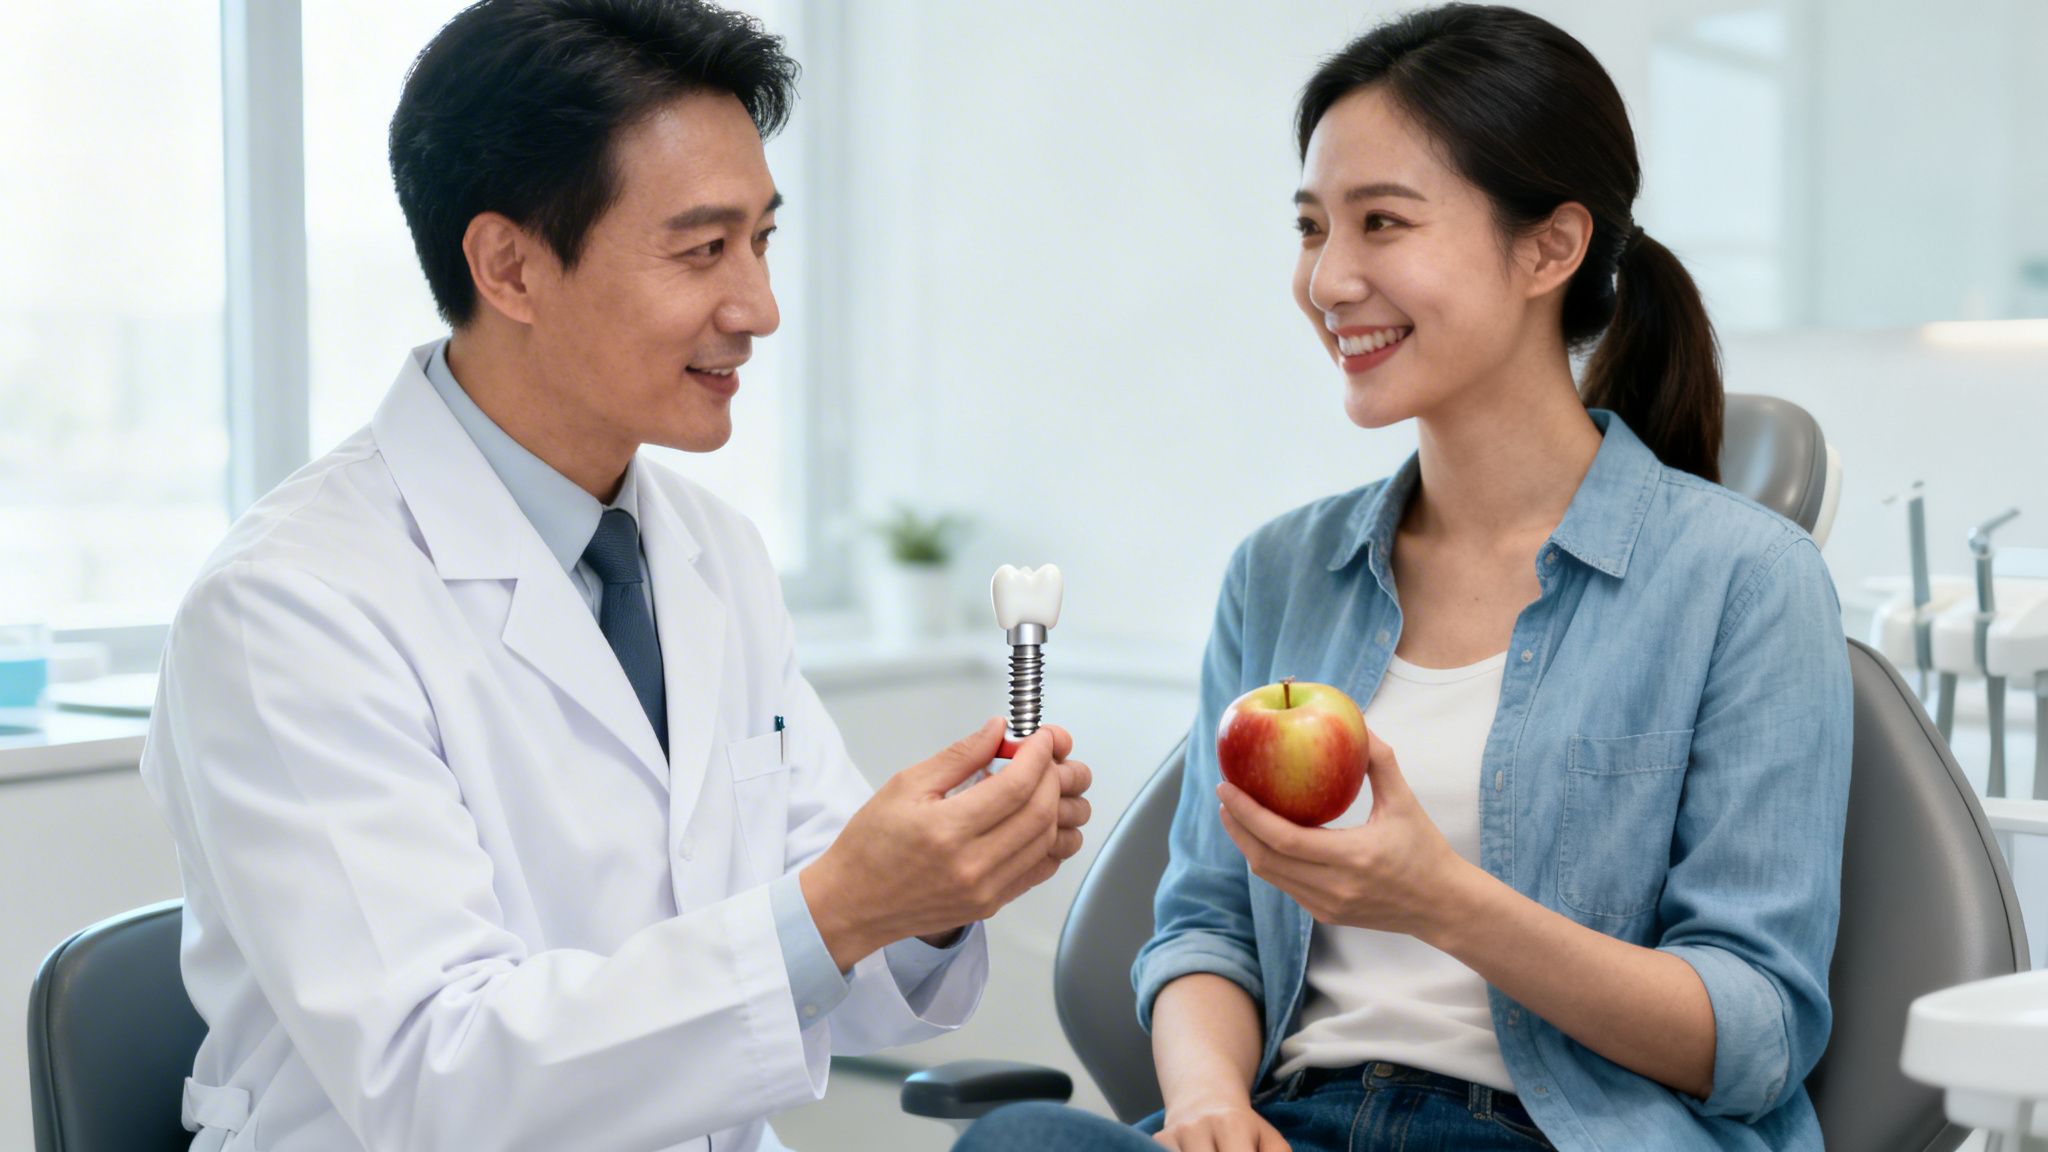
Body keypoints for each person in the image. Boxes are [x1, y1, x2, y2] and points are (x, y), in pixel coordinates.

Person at [139, 2, 1091, 1149]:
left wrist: (931, 895)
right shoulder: (288, 608)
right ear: (510, 267)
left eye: (761, 241)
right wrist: (841, 904)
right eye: (701, 250)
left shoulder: (710, 555)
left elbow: (838, 947)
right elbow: (440, 1076)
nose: (758, 307)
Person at [955, 5, 1849, 1150]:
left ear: (1548, 248)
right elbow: (1205, 930)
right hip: (1300, 1118)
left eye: (1381, 223)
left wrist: (1440, 900)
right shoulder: (1282, 574)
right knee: (1020, 1143)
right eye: (1310, 227)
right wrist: (1210, 1105)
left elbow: (1754, 1033)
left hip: (1557, 1134)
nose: (1327, 279)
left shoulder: (1742, 581)